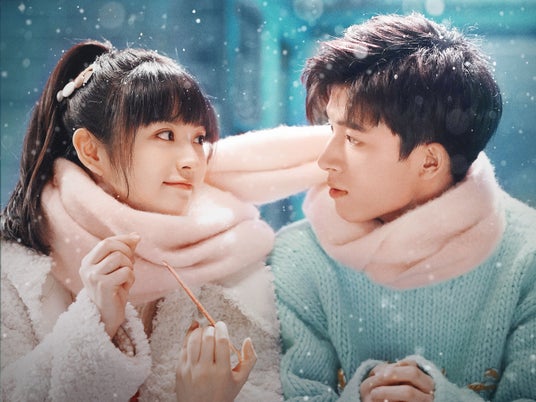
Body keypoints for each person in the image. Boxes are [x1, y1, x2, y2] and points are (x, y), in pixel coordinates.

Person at [0, 39, 328, 401]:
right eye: (165, 135)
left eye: (198, 138)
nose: (191, 161)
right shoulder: (14, 276)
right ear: (92, 152)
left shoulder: (231, 264)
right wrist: (97, 322)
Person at [269, 12, 536, 402]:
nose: (325, 160)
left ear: (429, 162)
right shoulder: (299, 255)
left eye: (354, 140)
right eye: (331, 130)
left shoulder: (526, 257)